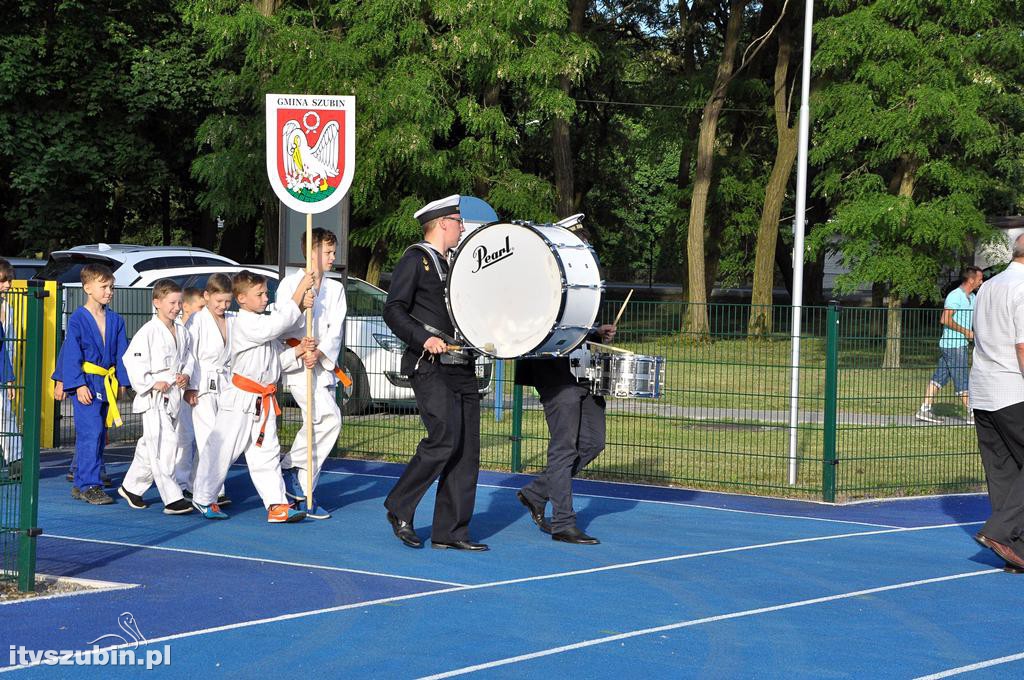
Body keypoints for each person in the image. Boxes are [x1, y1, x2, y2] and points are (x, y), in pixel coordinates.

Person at [381, 194, 487, 551]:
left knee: (466, 449)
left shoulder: (455, 263)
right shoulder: (416, 259)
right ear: (442, 223)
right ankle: (399, 507)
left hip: (461, 365)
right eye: (458, 221)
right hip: (429, 366)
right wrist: (423, 337)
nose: (462, 228)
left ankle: (451, 531)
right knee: (444, 438)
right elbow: (394, 309)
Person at [190, 269, 315, 522]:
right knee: (222, 448)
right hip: (239, 398)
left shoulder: (262, 325)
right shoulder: (246, 323)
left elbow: (275, 363)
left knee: (267, 452)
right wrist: (300, 291)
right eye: (259, 294)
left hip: (263, 400)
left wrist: (299, 351)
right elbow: (277, 324)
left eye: (266, 293)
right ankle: (203, 497)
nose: (265, 298)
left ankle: (277, 504)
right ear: (242, 299)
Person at [278, 228, 347, 520]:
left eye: (333, 252)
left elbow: (336, 329)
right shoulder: (290, 284)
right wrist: (300, 304)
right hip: (298, 365)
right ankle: (291, 467)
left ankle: (302, 493)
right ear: (313, 252)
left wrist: (321, 352)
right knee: (328, 419)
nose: (333, 257)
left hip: (322, 365)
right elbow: (281, 322)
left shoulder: (336, 289)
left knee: (317, 423)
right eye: (328, 252)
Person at [117, 279, 195, 514]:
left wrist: (186, 375)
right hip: (154, 396)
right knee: (164, 444)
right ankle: (172, 498)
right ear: (157, 303)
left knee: (149, 445)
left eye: (179, 302)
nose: (176, 307)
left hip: (174, 393)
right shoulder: (148, 331)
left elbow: (189, 358)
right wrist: (151, 382)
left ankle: (131, 487)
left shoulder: (182, 330)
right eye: (172, 302)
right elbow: (131, 361)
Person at [970, 235, 1024, 571]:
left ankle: (1014, 551)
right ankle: (1001, 532)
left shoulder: (988, 286)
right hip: (1013, 389)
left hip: (983, 390)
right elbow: (1022, 347)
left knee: (1003, 472)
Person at [59, 264, 129, 505]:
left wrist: (122, 381)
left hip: (106, 381)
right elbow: (71, 352)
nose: (109, 291)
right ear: (87, 287)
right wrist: (77, 384)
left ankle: (82, 481)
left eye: (111, 287)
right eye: (104, 286)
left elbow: (122, 352)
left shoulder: (116, 320)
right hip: (86, 382)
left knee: (100, 434)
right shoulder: (78, 318)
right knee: (92, 432)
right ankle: (90, 484)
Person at [182, 273, 234, 506]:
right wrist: (191, 387)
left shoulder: (232, 319)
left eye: (227, 301)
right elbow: (189, 354)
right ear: (206, 296)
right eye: (218, 301)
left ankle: (194, 485)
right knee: (210, 439)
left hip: (225, 383)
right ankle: (212, 491)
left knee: (220, 434)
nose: (223, 306)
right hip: (202, 385)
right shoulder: (197, 320)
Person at [916, 266, 983, 424]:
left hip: (959, 344)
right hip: (953, 344)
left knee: (940, 377)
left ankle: (924, 409)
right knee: (962, 378)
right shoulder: (955, 296)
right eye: (980, 279)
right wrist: (966, 332)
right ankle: (972, 413)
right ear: (971, 280)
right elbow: (945, 319)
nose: (982, 281)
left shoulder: (972, 297)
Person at [0, 258, 21, 474]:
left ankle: (16, 460)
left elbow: (11, 345)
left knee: (5, 414)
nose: (7, 285)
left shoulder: (9, 307)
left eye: (9, 280)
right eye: (3, 281)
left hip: (4, 369)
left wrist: (9, 377)